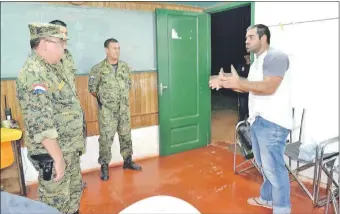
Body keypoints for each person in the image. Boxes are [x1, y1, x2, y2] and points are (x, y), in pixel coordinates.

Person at [210, 24, 292, 214]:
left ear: (264, 38)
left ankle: (282, 208)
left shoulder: (276, 56)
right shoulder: (256, 62)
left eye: (251, 37)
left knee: (274, 169)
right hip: (258, 121)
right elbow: (247, 88)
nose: (246, 41)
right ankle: (267, 198)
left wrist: (239, 82)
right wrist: (227, 83)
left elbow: (269, 87)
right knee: (264, 166)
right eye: (246, 37)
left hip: (273, 123)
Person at [16, 22, 86, 214]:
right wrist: (58, 159)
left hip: (67, 148)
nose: (64, 47)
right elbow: (41, 125)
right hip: (54, 154)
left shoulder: (53, 67)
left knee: (72, 198)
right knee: (55, 205)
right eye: (60, 42)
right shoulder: (33, 73)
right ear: (45, 44)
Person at [88, 38, 142, 181]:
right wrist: (104, 101)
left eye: (118, 48)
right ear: (106, 50)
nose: (117, 51)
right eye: (114, 48)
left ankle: (128, 161)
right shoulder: (98, 69)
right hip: (107, 112)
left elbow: (128, 84)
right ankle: (104, 166)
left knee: (126, 136)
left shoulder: (124, 67)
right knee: (106, 139)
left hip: (123, 109)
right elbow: (92, 89)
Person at [49, 19, 87, 190]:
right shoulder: (45, 62)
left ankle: (75, 183)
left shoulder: (68, 56)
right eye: (60, 35)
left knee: (74, 158)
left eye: (65, 36)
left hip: (72, 121)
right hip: (58, 126)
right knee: (60, 178)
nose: (64, 39)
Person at [236, 53, 251, 122]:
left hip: (251, 89)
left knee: (250, 106)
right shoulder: (241, 65)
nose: (247, 57)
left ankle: (249, 122)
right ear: (244, 56)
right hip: (242, 89)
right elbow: (239, 75)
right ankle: (241, 122)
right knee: (242, 106)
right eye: (246, 55)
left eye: (249, 55)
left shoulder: (253, 66)